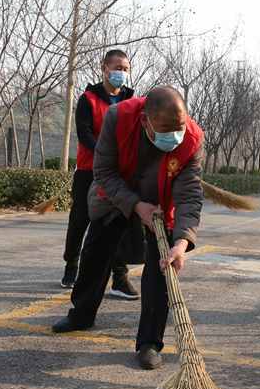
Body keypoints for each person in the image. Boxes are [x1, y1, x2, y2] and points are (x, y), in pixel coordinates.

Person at [51, 86, 204, 370]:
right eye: (165, 130)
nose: (174, 136)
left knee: (161, 267)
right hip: (116, 194)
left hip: (160, 202)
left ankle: (149, 342)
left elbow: (190, 195)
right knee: (96, 252)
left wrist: (182, 242)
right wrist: (135, 205)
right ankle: (81, 314)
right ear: (145, 120)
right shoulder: (118, 117)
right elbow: (104, 172)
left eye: (179, 128)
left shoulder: (192, 138)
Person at [60, 49, 139, 300]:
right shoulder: (88, 99)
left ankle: (119, 277)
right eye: (117, 68)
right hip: (89, 170)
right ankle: (71, 265)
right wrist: (106, 155)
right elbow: (84, 134)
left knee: (118, 223)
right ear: (104, 68)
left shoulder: (132, 102)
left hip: (118, 175)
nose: (121, 73)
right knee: (80, 220)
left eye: (125, 69)